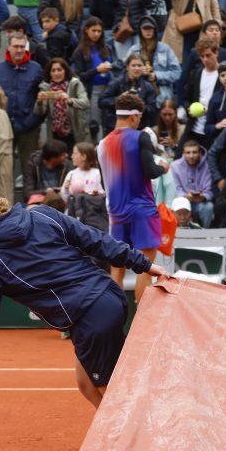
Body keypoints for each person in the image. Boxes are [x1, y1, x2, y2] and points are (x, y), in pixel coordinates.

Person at [0, 189, 170, 407]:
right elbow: (96, 239)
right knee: (87, 385)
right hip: (107, 298)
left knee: (115, 396)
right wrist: (146, 265)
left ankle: (143, 438)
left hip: (91, 317)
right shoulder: (43, 214)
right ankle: (116, 438)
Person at [97, 90, 168, 303]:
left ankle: (114, 324)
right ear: (134, 116)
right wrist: (163, 167)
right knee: (145, 269)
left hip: (116, 215)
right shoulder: (141, 137)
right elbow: (150, 171)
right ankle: (141, 329)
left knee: (117, 269)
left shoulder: (101, 145)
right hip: (143, 211)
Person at [0, 32, 43, 177]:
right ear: (8, 47)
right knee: (3, 169)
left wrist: (34, 120)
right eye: (16, 46)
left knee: (30, 168)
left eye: (22, 47)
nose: (19, 50)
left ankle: (31, 199)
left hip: (29, 127)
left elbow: (42, 98)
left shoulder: (36, 69)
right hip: (4, 126)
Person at [35, 55, 89, 149]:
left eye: (59, 70)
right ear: (50, 73)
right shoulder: (45, 87)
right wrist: (39, 102)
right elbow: (40, 112)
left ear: (65, 71)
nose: (56, 73)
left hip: (74, 131)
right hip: (55, 133)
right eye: (53, 70)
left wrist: (70, 100)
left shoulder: (75, 84)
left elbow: (85, 103)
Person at [170, 139, 213, 227]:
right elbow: (176, 188)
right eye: (188, 153)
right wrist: (185, 196)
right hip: (182, 202)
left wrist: (202, 197)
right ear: (183, 153)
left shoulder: (207, 166)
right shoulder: (175, 166)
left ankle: (206, 234)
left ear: (200, 153)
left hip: (200, 203)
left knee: (208, 207)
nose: (191, 156)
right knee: (177, 207)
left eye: (194, 152)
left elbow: (209, 190)